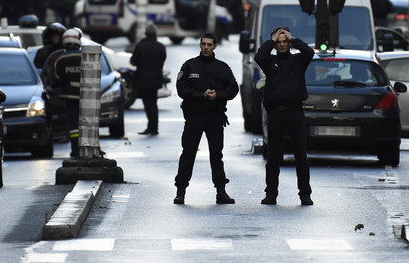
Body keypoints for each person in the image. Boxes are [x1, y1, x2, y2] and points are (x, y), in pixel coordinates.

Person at [173, 33, 238, 205]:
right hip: (194, 115)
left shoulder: (222, 67)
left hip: (215, 115)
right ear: (200, 45)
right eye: (203, 44)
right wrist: (201, 95)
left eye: (209, 44)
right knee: (188, 153)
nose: (206, 47)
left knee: (216, 155)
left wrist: (218, 95)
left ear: (215, 46)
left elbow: (233, 88)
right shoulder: (190, 65)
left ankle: (221, 191)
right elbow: (181, 88)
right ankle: (180, 191)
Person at [254, 26, 315, 206]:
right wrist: (271, 40)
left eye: (284, 42)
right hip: (276, 112)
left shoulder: (298, 60)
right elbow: (259, 56)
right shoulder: (269, 60)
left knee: (301, 156)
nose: (281, 45)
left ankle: (305, 194)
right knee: (273, 156)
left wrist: (294, 38)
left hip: (295, 110)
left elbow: (309, 52)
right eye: (279, 42)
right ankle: (271, 193)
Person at [130, 23, 166, 136]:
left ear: (145, 33)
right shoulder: (161, 46)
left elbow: (132, 62)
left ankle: (151, 128)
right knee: (154, 103)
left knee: (148, 104)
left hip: (143, 80)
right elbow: (162, 60)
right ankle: (154, 127)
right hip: (156, 80)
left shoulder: (140, 46)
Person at [52, 28, 83, 157]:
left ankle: (75, 149)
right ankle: (92, 148)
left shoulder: (60, 58)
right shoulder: (84, 56)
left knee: (74, 123)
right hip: (86, 95)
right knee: (88, 122)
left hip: (69, 95)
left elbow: (56, 77)